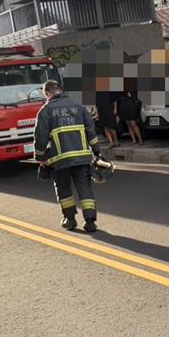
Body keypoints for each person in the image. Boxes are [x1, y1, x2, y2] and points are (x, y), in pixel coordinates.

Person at [34, 80, 104, 233]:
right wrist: (96, 151)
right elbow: (91, 132)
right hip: (82, 158)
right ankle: (90, 221)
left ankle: (70, 220)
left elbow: (41, 137)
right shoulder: (79, 107)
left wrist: (40, 157)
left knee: (63, 189)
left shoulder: (45, 111)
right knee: (85, 188)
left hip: (60, 160)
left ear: (47, 94)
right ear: (61, 90)